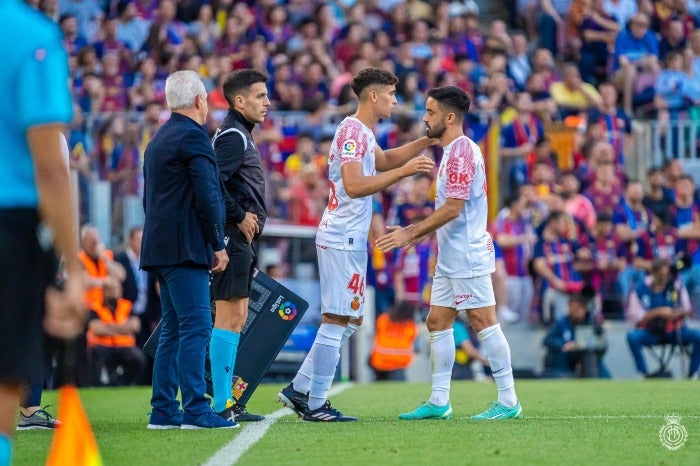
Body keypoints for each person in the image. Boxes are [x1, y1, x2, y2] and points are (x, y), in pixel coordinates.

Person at [278, 67, 436, 422]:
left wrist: (425, 143)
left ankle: (298, 389)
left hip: (349, 237)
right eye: (392, 95)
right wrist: (405, 173)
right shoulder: (350, 132)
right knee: (337, 320)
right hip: (341, 237)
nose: (396, 102)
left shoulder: (363, 132)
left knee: (347, 321)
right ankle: (316, 404)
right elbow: (353, 184)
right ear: (374, 96)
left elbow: (382, 160)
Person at [376, 86, 523, 421]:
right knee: (437, 320)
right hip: (451, 254)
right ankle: (439, 401)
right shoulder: (453, 151)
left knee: (483, 321)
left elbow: (454, 208)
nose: (425, 118)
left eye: (430, 112)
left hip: (467, 254)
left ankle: (509, 400)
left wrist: (411, 233)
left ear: (450, 116)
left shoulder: (460, 154)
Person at [1, 2, 87, 463]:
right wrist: (73, 269)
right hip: (9, 221)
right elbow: (51, 166)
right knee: (4, 375)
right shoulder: (32, 35)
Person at [141, 70, 236, 430]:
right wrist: (218, 243)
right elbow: (208, 196)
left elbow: (148, 198)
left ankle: (163, 410)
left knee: (174, 330)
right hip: (185, 249)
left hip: (160, 248)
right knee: (196, 327)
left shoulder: (157, 140)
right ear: (200, 100)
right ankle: (196, 409)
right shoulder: (195, 138)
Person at [208, 69, 269, 423]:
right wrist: (240, 214)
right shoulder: (232, 136)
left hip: (240, 237)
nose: (267, 103)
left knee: (238, 316)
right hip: (232, 234)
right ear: (239, 100)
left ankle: (225, 398)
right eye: (260, 96)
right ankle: (219, 403)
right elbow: (212, 181)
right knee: (229, 317)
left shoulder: (239, 133)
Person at [626, 259, 700, 378]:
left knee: (698, 336)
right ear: (655, 273)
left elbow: (687, 308)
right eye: (662, 273)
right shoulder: (642, 289)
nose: (665, 276)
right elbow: (634, 316)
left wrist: (676, 313)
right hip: (652, 331)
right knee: (633, 337)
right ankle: (644, 372)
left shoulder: (675, 286)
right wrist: (658, 312)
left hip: (673, 330)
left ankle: (692, 373)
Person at [87, 279, 146, 386]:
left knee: (138, 357)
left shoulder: (126, 305)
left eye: (116, 289)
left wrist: (108, 327)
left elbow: (135, 326)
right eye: (110, 289)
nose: (114, 292)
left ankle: (123, 383)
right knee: (96, 354)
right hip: (102, 345)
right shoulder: (95, 306)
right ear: (104, 291)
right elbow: (95, 328)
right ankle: (98, 385)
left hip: (123, 346)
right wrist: (122, 328)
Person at [542, 294, 611, 378]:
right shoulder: (561, 323)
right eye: (571, 308)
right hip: (566, 360)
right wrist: (564, 344)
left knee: (594, 362)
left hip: (587, 358)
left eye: (577, 308)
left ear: (584, 308)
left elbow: (603, 344)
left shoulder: (592, 324)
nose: (573, 311)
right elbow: (547, 340)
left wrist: (583, 345)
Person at [369, 300, 419, 381]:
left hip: (379, 361)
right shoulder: (410, 325)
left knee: (378, 388)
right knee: (398, 388)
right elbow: (413, 336)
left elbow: (378, 331)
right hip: (398, 363)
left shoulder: (383, 319)